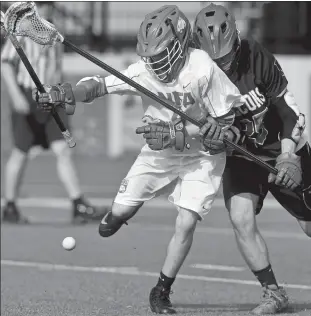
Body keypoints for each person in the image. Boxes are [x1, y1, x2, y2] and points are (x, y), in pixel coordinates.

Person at [33, 5, 244, 314]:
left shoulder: (202, 69)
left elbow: (226, 130)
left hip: (201, 157)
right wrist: (62, 93)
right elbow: (99, 86)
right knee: (116, 217)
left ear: (180, 45)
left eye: (160, 55)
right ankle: (119, 215)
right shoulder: (144, 71)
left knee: (186, 223)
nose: (154, 63)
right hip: (158, 154)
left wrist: (181, 135)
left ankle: (161, 290)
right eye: (149, 56)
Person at [193, 3, 311, 315]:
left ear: (236, 40)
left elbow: (290, 113)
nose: (224, 64)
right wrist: (203, 138)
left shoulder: (256, 57)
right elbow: (205, 134)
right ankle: (273, 293)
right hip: (242, 156)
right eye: (215, 59)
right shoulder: (195, 74)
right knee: (241, 217)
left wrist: (288, 155)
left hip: (282, 151)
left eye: (228, 56)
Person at [1, 2, 107, 224]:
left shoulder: (53, 31)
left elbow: (56, 67)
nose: (46, 8)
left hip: (51, 96)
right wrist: (16, 96)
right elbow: (6, 64)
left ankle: (77, 204)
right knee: (20, 153)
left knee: (63, 151)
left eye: (48, 3)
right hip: (28, 96)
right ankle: (9, 206)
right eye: (41, 4)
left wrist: (59, 92)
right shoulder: (21, 30)